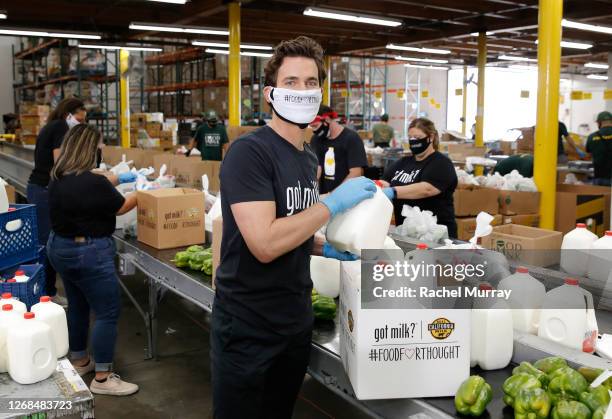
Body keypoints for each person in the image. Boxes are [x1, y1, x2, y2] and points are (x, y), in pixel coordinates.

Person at [213, 36, 376, 419]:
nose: (302, 91)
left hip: (294, 317)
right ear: (270, 93)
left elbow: (292, 229)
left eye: (310, 82)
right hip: (248, 323)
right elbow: (265, 243)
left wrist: (325, 247)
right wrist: (331, 203)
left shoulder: (307, 158)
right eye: (291, 82)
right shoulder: (249, 153)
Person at [46, 124, 139, 396]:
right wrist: (143, 196)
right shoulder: (93, 182)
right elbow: (121, 206)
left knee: (77, 305)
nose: (101, 149)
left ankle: (80, 359)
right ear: (90, 149)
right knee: (107, 313)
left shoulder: (59, 177)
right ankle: (103, 378)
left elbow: (94, 183)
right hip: (89, 252)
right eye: (98, 145)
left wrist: (113, 178)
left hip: (59, 248)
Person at [27, 98, 86, 304]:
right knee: (46, 244)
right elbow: (60, 164)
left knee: (47, 241)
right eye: (80, 115)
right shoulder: (61, 127)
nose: (81, 120)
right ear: (69, 113)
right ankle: (45, 295)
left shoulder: (53, 126)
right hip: (43, 190)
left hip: (40, 188)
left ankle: (46, 292)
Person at [380, 118, 458, 238]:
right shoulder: (403, 162)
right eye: (410, 138)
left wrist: (393, 191)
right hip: (407, 233)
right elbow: (385, 182)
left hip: (435, 235)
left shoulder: (441, 163)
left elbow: (426, 189)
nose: (413, 141)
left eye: (417, 137)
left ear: (430, 137)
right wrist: (374, 186)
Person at [309, 105, 368, 194]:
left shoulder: (351, 139)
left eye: (315, 126)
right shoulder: (316, 139)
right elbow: (317, 169)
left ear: (327, 119)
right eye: (312, 127)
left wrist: (335, 195)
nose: (314, 130)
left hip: (348, 196)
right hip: (324, 197)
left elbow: (356, 173)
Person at [586, 111, 612, 186]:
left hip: (599, 178)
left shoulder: (591, 137)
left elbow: (588, 156)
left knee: (600, 197)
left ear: (599, 123)